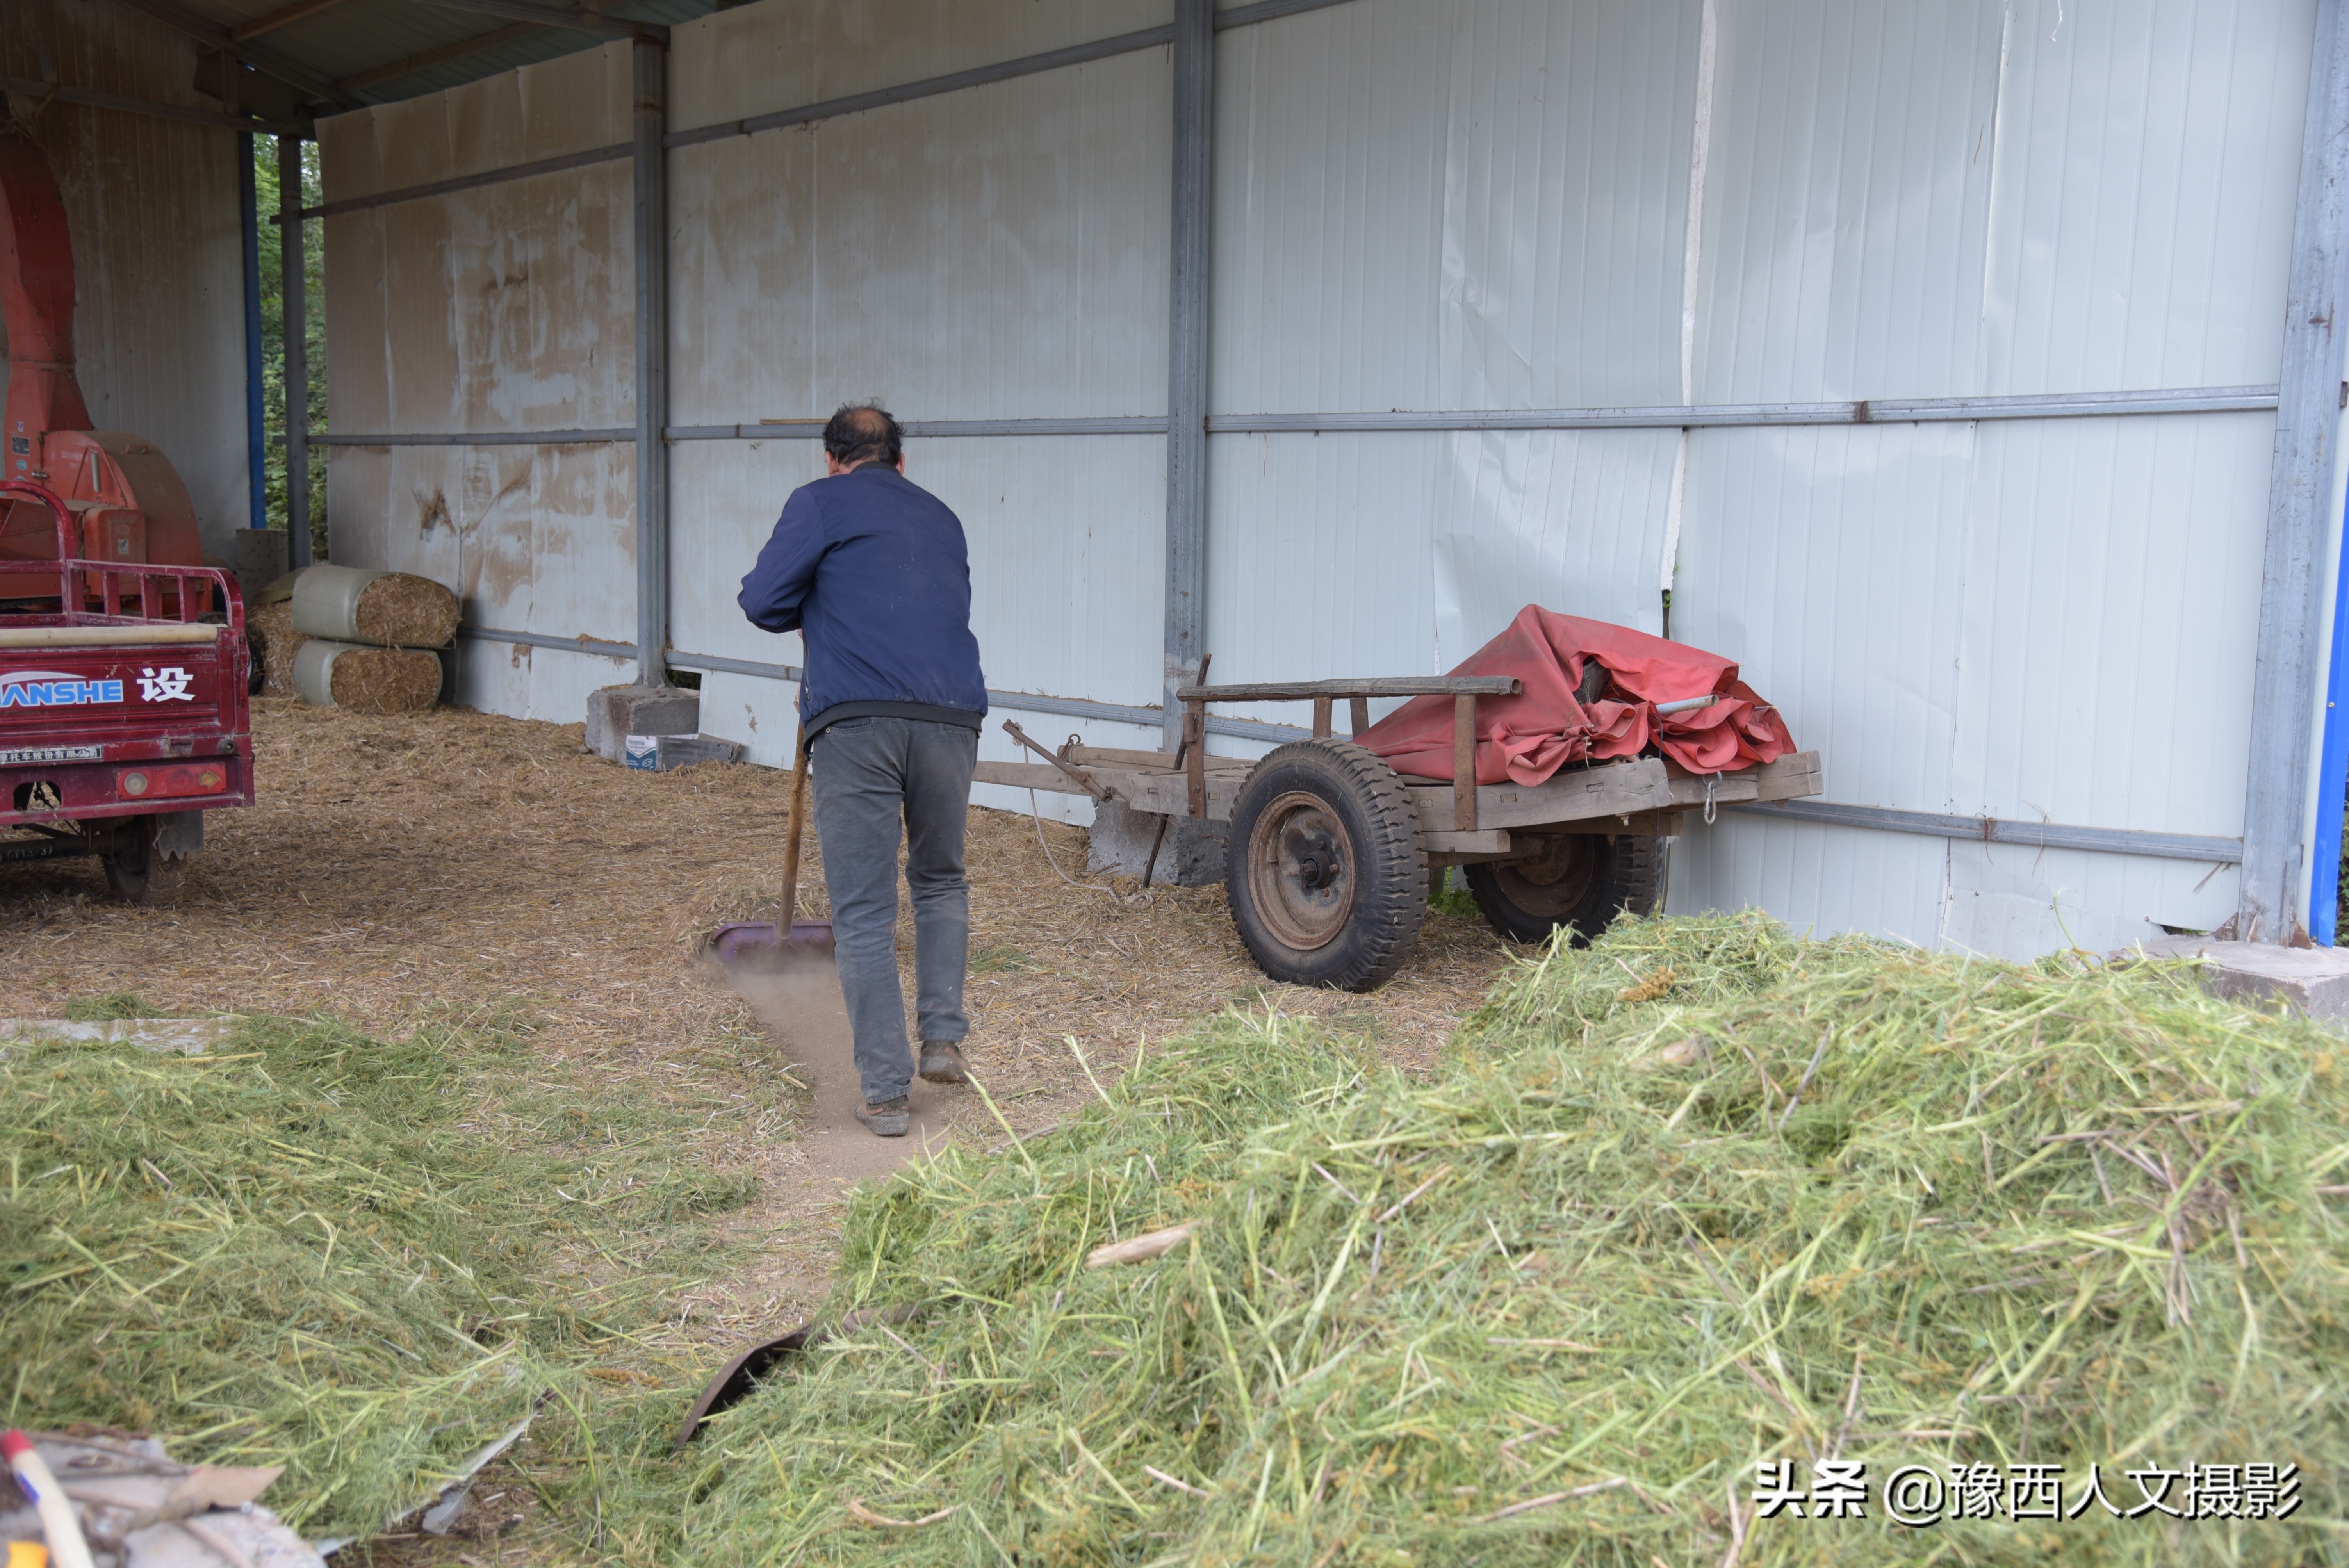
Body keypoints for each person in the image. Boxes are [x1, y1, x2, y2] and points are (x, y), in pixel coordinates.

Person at [737, 403, 986, 1137]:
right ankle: (943, 1040)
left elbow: (761, 601)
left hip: (858, 721)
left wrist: (819, 609)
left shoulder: (820, 501)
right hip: (952, 716)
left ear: (832, 460)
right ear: (902, 462)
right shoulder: (943, 517)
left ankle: (884, 1094)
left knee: (865, 912)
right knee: (941, 879)